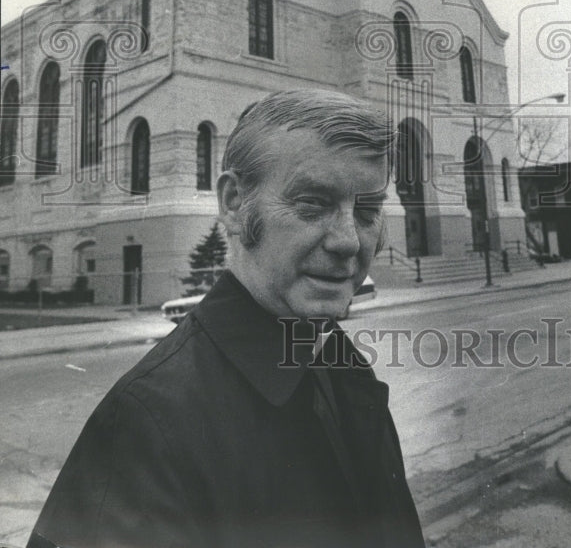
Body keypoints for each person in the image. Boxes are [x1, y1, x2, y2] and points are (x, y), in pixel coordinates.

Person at [27, 89, 425, 548]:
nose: (349, 241)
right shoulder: (147, 422)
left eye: (369, 210)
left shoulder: (344, 363)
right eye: (313, 204)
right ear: (235, 204)